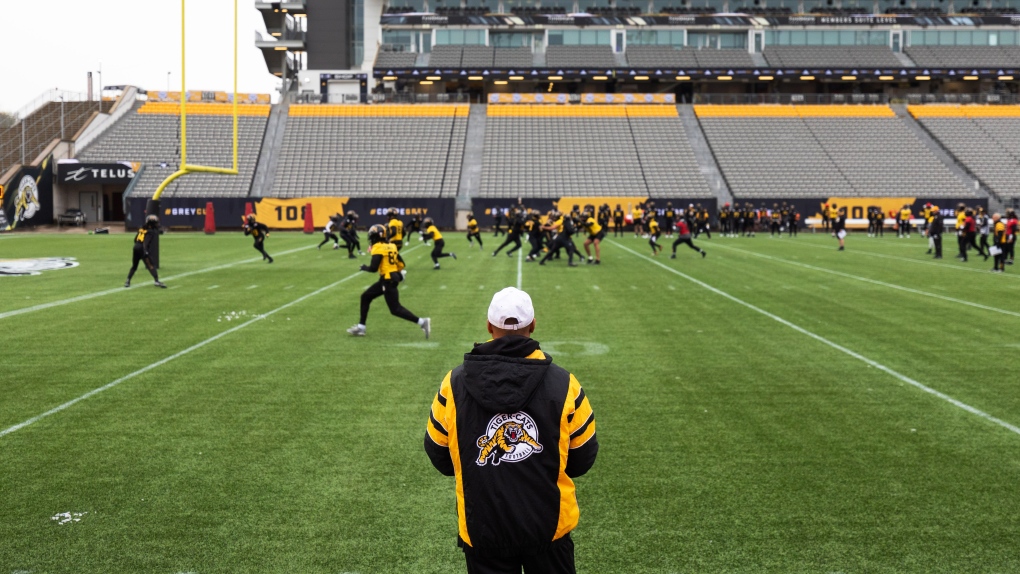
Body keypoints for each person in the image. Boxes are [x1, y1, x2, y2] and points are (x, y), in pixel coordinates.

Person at [424, 287, 598, 574]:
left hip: (483, 526)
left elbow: (440, 456)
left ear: (489, 326)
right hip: (548, 527)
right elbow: (582, 459)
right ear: (533, 325)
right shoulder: (565, 383)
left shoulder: (453, 384)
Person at [346, 224, 430, 337]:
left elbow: (373, 268)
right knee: (366, 296)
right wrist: (398, 273)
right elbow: (401, 264)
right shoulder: (392, 246)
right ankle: (361, 327)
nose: (371, 238)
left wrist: (364, 267)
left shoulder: (378, 247)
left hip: (388, 280)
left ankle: (422, 322)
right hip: (388, 278)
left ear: (376, 236)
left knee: (395, 309)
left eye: (372, 235)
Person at [125, 214, 167, 288]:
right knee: (151, 265)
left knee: (134, 266)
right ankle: (156, 281)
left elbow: (135, 239)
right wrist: (146, 251)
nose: (157, 224)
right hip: (142, 249)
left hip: (136, 247)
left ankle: (128, 281)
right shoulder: (150, 231)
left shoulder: (142, 228)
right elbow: (146, 242)